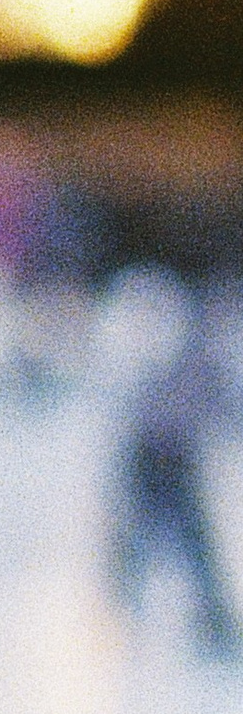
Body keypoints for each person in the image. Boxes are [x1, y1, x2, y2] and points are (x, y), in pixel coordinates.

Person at [108, 278, 239, 655]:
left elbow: (226, 413)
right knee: (137, 541)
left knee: (195, 548)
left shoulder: (208, 367)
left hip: (178, 465)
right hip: (150, 461)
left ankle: (215, 626)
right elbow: (140, 413)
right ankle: (122, 615)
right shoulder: (172, 356)